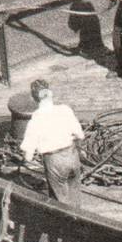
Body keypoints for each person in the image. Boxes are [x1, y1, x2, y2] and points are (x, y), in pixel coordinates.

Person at [21, 79, 85, 207]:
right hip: (72, 155)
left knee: (60, 201)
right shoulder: (65, 109)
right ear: (50, 94)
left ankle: (65, 224)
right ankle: (79, 217)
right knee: (75, 193)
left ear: (34, 99)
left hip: (54, 161)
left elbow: (28, 156)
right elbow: (80, 135)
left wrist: (25, 157)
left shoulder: (37, 118)